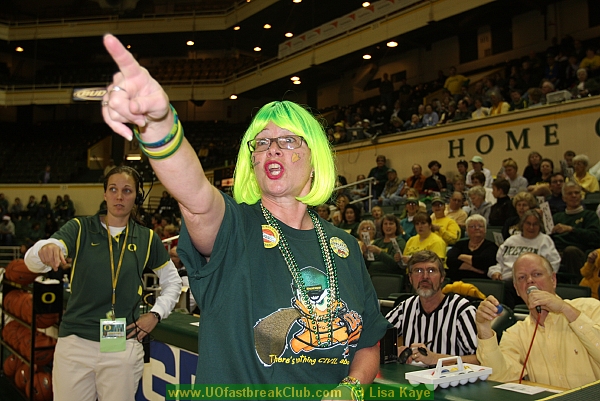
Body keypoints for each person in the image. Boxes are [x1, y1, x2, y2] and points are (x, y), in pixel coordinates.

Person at [100, 34, 388, 389]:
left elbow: (368, 342)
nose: (272, 150)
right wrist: (160, 128)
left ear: (315, 159)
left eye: (288, 140)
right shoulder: (234, 226)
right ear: (252, 162)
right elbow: (195, 197)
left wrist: (352, 388)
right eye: (262, 142)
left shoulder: (344, 246)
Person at [23, 166, 182, 400]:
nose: (119, 196)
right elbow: (33, 261)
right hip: (76, 343)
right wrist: (44, 249)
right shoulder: (80, 228)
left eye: (127, 190)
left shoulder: (147, 238)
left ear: (137, 196)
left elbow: (173, 281)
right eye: (113, 189)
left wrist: (156, 314)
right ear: (105, 194)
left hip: (122, 343)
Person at [476, 253, 600, 389]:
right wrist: (484, 328)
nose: (529, 280)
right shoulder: (516, 333)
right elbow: (500, 378)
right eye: (522, 277)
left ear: (553, 279)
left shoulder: (591, 308)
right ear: (517, 289)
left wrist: (566, 309)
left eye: (537, 274)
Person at [386, 251, 479, 365]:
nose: (425, 277)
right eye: (418, 271)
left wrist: (436, 359)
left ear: (442, 278)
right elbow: (376, 335)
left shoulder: (462, 310)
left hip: (451, 380)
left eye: (431, 270)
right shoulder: (406, 307)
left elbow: (481, 359)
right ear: (410, 279)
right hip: (413, 380)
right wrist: (394, 351)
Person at [489, 210, 561, 308]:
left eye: (535, 224)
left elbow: (553, 265)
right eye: (528, 223)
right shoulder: (511, 241)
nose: (531, 227)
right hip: (506, 279)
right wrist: (495, 272)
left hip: (531, 282)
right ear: (522, 224)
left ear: (540, 225)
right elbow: (499, 263)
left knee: (509, 286)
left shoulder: (545, 241)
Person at [551, 181, 600, 278]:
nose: (574, 196)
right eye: (570, 193)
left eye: (577, 193)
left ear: (581, 196)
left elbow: (595, 237)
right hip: (557, 252)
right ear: (564, 198)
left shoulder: (589, 215)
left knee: (570, 251)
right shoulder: (557, 217)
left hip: (579, 252)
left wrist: (571, 229)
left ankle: (578, 285)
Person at [447, 215, 498, 281]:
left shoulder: (491, 246)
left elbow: (484, 262)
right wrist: (475, 269)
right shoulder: (460, 244)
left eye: (480, 226)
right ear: (467, 230)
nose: (477, 228)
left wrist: (462, 257)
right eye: (472, 226)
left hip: (481, 282)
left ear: (485, 230)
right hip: (457, 281)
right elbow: (450, 261)